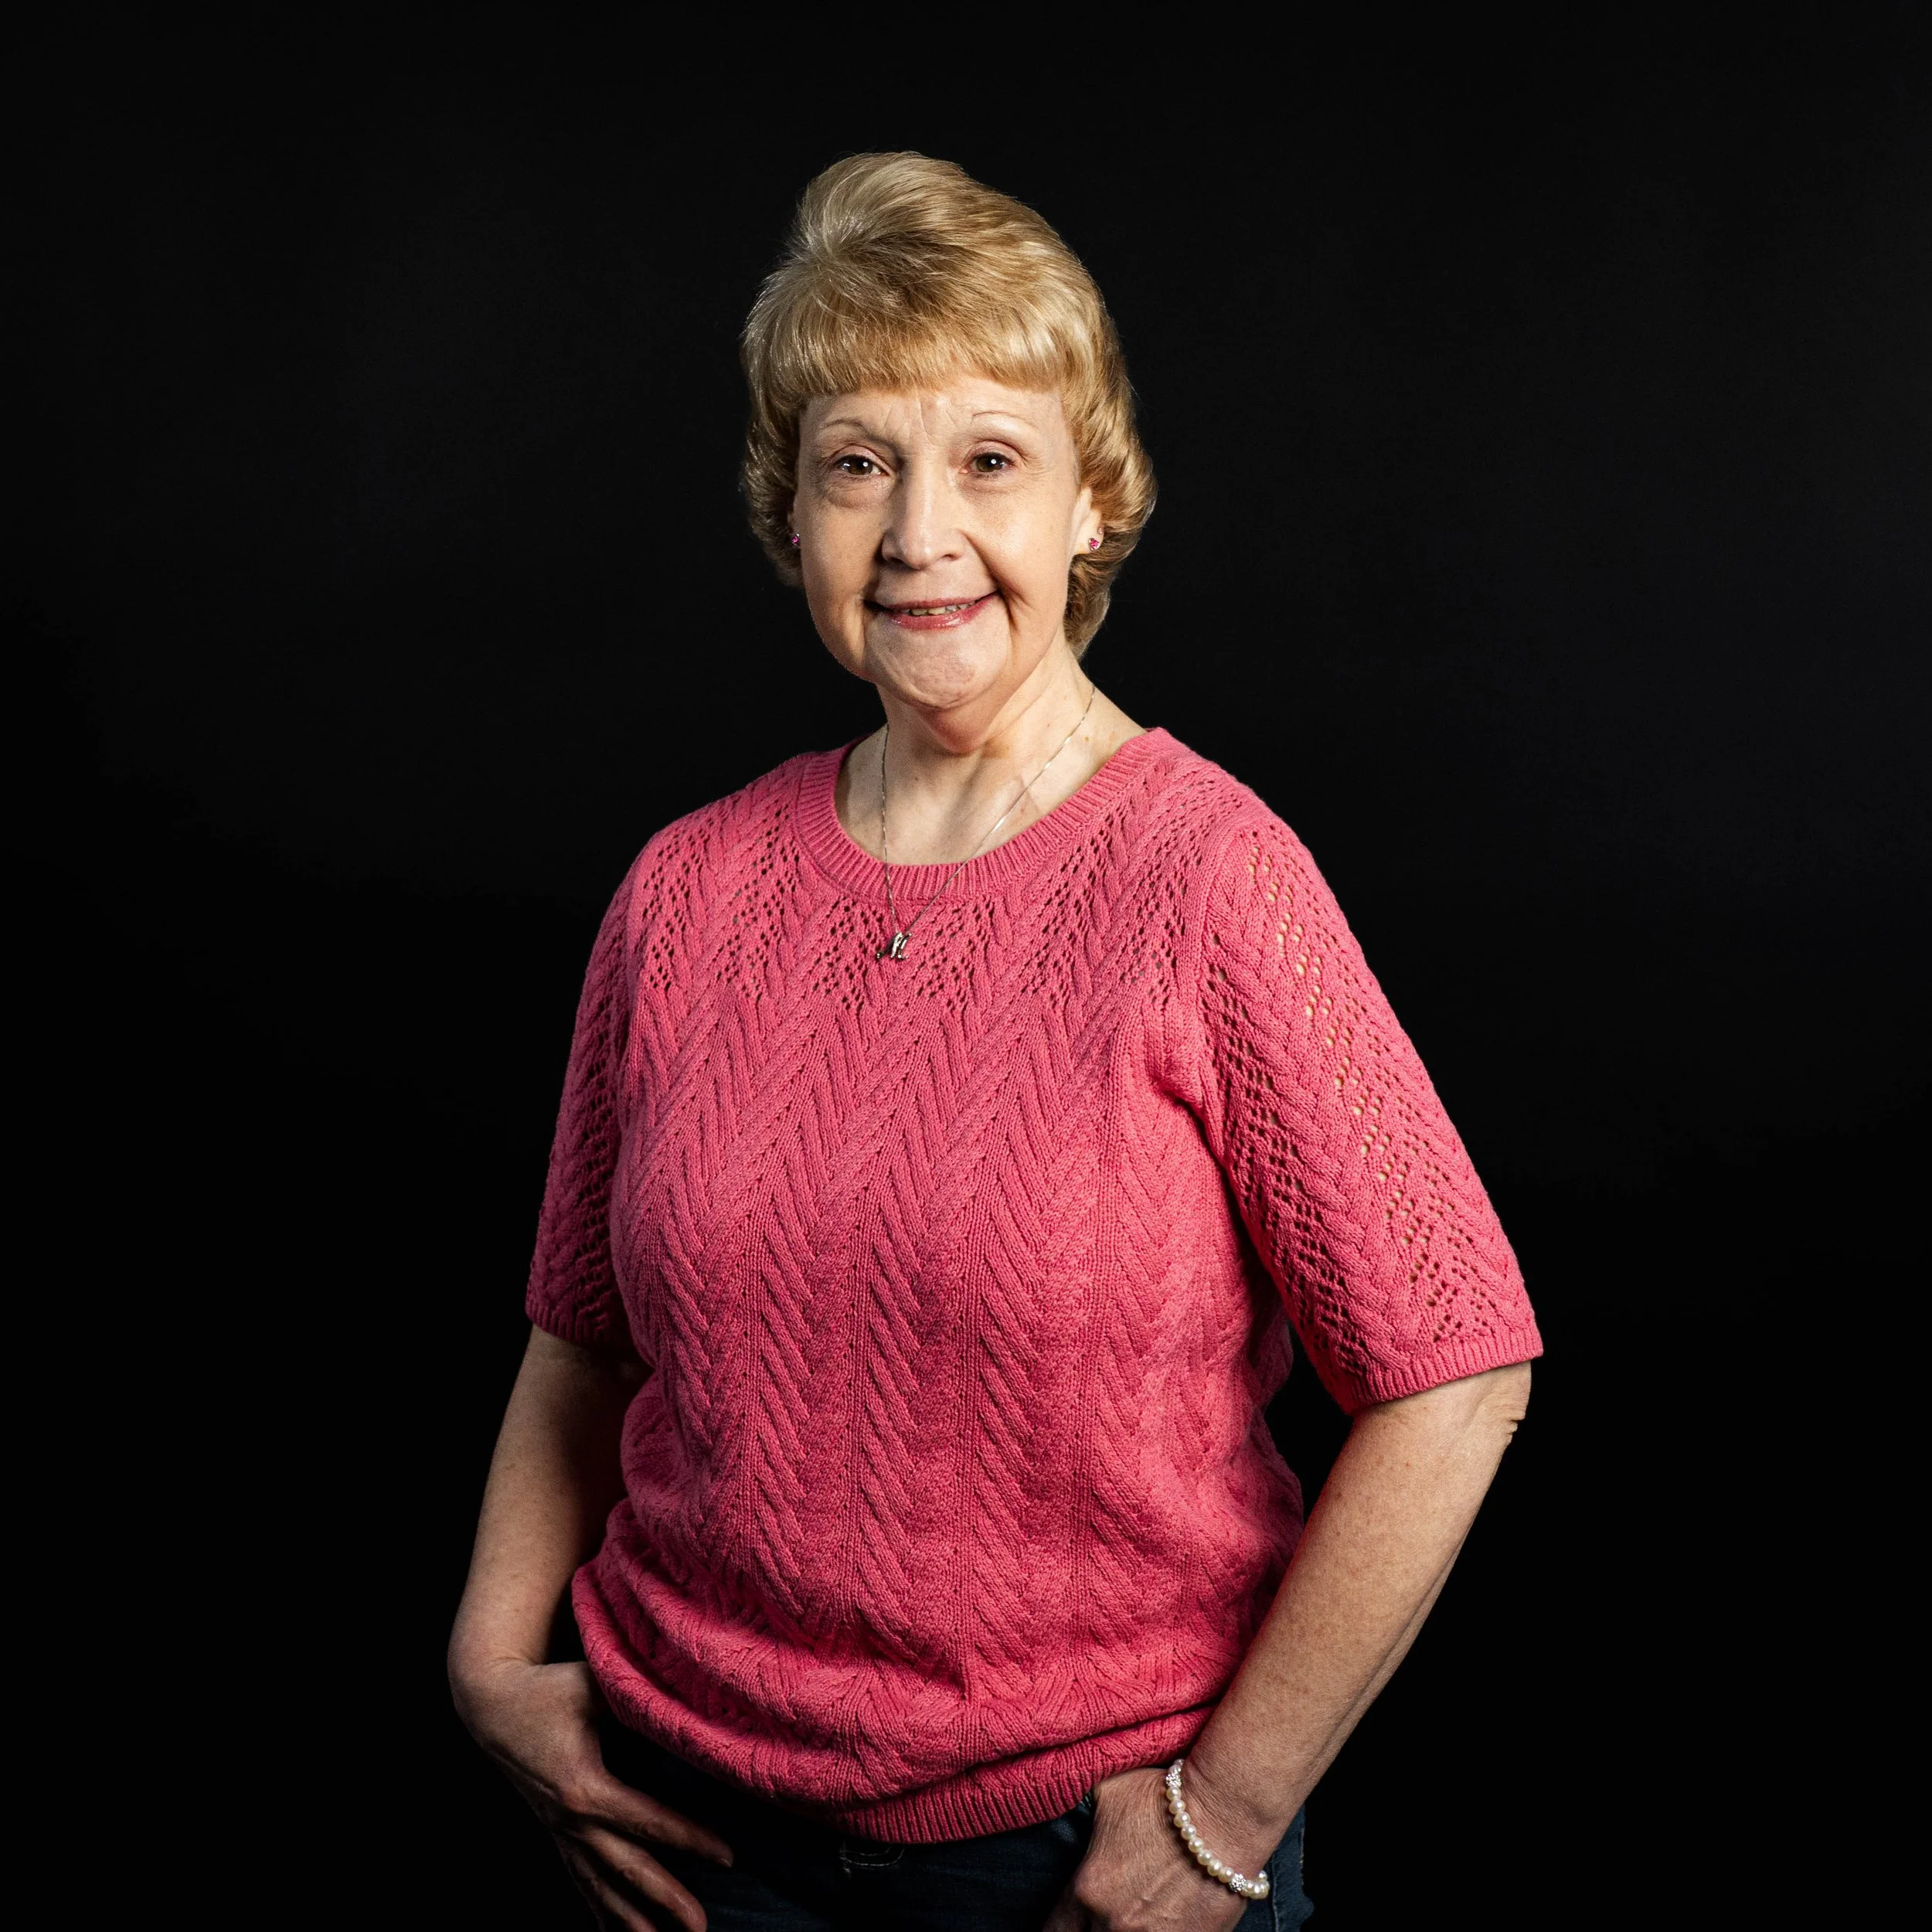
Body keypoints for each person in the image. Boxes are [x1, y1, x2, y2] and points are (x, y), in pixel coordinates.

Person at [449, 151, 1543, 1932]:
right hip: (685, 1845)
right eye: (854, 465)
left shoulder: (1205, 877)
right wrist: (490, 1666)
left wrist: (1223, 1815)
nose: (915, 535)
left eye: (987, 460)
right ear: (786, 513)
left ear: (1090, 503)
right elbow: (580, 1338)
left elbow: (1455, 1375)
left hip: (1066, 1868)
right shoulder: (684, 890)